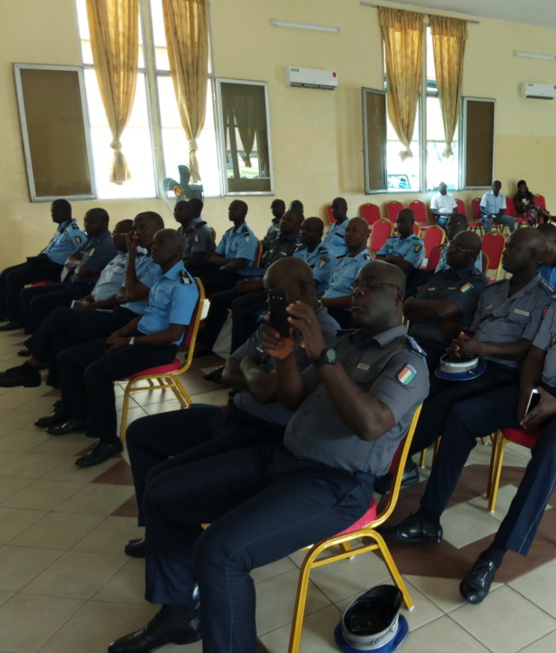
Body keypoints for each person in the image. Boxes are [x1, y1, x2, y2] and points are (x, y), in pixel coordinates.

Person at [107, 261, 428, 653]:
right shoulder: (346, 342)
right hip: (283, 457)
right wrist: (287, 356)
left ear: (398, 297)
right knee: (164, 491)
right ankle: (179, 616)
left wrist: (323, 355)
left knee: (220, 552)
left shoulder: (407, 362)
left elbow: (371, 424)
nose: (358, 292)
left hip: (334, 486)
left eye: (371, 285)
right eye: (357, 284)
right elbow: (292, 397)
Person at [381, 242, 556, 604]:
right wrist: (526, 395)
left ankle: (496, 553)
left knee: (549, 451)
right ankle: (429, 517)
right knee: (463, 414)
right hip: (542, 390)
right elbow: (536, 353)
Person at [122, 257, 340, 558]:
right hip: (233, 414)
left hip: (263, 433)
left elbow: (266, 392)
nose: (268, 300)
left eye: (274, 293)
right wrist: (253, 371)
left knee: (165, 478)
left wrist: (250, 369)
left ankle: (170, 540)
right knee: (140, 433)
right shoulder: (276, 320)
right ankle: (160, 530)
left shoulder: (324, 335)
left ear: (304, 287)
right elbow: (228, 371)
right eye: (266, 293)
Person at [43, 229, 199, 468]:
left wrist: (130, 342)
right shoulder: (161, 276)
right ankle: (77, 414)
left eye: (161, 244)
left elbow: (173, 334)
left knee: (96, 372)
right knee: (68, 357)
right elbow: (148, 314)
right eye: (154, 242)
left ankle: (108, 441)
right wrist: (124, 331)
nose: (154, 247)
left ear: (177, 251)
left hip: (158, 348)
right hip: (140, 337)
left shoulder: (183, 285)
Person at [404, 228, 556, 459]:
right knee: (421, 390)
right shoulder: (492, 291)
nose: (505, 252)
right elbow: (473, 332)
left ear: (534, 254)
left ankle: (394, 466)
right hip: (474, 363)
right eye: (506, 246)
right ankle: (393, 455)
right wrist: (461, 343)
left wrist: (481, 348)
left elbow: (529, 349)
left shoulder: (545, 298)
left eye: (513, 248)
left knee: (443, 405)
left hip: (504, 372)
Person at [0, 213, 165, 390]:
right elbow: (122, 292)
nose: (137, 233)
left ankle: (30, 367)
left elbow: (129, 294)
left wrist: (98, 304)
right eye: (134, 228)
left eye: (143, 228)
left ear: (159, 231)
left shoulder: (156, 262)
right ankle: (65, 402)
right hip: (117, 310)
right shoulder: (138, 258)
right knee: (60, 341)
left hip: (129, 320)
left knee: (59, 314)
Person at [195, 209, 303, 359]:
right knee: (220, 299)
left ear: (298, 226)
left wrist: (257, 285)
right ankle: (208, 342)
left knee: (240, 306)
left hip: (277, 291)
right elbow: (265, 271)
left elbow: (286, 279)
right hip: (264, 284)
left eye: (289, 220)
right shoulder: (276, 242)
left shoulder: (297, 247)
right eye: (283, 218)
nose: (283, 221)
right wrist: (248, 281)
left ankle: (237, 358)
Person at [19, 208, 117, 334]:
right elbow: (71, 258)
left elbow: (83, 272)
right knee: (26, 293)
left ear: (105, 224)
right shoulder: (92, 239)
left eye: (92, 222)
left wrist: (78, 265)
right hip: (72, 282)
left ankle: (40, 338)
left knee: (39, 302)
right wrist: (79, 264)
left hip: (86, 288)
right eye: (85, 221)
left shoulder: (105, 244)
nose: (87, 226)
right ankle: (33, 335)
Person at [404, 230, 488, 372]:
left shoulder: (475, 282)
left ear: (473, 257)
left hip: (439, 348)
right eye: (452, 244)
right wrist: (439, 318)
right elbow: (409, 312)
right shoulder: (440, 276)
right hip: (411, 341)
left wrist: (412, 302)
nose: (451, 250)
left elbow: (445, 310)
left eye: (459, 248)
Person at [0, 199, 86, 331]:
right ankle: (4, 314)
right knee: (5, 273)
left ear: (65, 211)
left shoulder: (74, 230)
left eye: (54, 211)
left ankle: (16, 319)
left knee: (13, 277)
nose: (52, 215)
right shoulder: (63, 227)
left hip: (54, 267)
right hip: (45, 262)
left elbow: (83, 250)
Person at [187, 200, 258, 295]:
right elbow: (212, 258)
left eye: (234, 209)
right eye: (229, 209)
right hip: (223, 270)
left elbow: (238, 264)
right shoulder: (228, 234)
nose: (230, 211)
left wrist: (225, 262)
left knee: (201, 286)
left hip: (238, 276)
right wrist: (231, 260)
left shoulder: (247, 237)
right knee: (195, 280)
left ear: (243, 212)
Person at [321, 217, 372, 328]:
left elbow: (355, 299)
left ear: (366, 234)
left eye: (355, 231)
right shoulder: (341, 260)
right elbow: (330, 289)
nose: (349, 234)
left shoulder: (365, 264)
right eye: (347, 230)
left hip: (343, 315)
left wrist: (321, 302)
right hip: (326, 308)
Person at [293, 216, 337, 294]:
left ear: (320, 234)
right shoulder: (299, 250)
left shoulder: (326, 257)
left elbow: (310, 283)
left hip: (315, 298)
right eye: (302, 228)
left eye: (308, 230)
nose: (302, 232)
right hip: (298, 293)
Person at [377, 209, 425, 274]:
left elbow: (402, 267)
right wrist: (392, 259)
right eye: (397, 222)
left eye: (402, 221)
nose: (398, 225)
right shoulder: (391, 240)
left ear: (412, 222)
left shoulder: (417, 244)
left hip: (399, 280)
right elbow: (378, 259)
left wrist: (385, 260)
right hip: (382, 275)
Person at [173, 200, 215, 268]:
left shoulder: (199, 231)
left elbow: (194, 260)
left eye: (180, 210)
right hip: (186, 266)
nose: (176, 213)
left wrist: (177, 269)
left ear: (190, 212)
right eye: (175, 210)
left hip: (202, 270)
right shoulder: (179, 231)